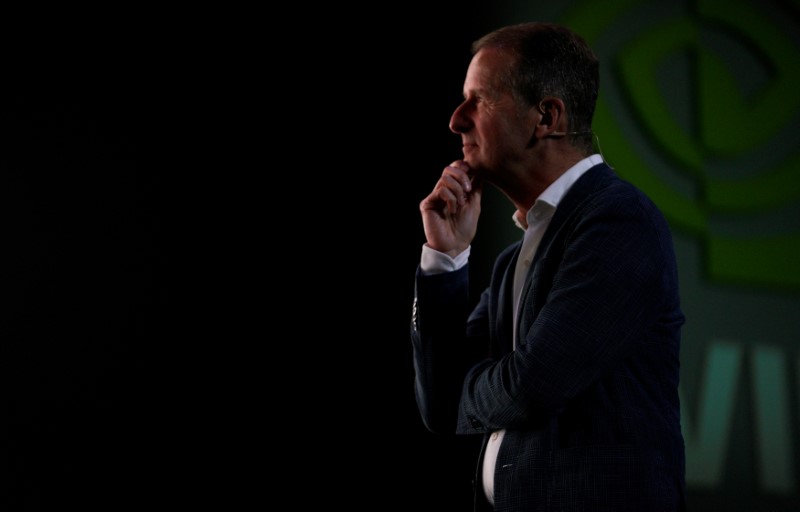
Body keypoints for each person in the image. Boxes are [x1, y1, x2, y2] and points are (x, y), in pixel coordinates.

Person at [410, 21, 687, 511]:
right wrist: (446, 257)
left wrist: (463, 395)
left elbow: (532, 385)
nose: (456, 119)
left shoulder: (619, 221)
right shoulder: (511, 262)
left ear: (546, 117)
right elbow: (437, 406)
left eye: (479, 99)